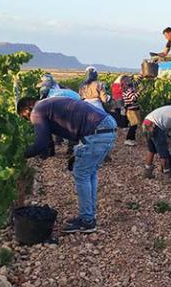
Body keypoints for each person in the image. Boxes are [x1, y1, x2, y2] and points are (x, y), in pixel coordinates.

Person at [17, 96, 117, 234]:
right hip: (106, 126)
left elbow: (41, 144)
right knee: (89, 173)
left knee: (81, 174)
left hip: (96, 131)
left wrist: (19, 156)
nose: (28, 120)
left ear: (28, 107)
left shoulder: (37, 111)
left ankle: (87, 221)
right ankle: (89, 216)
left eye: (25, 117)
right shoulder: (48, 103)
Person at [121, 76, 141, 146]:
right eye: (128, 80)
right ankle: (128, 139)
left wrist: (141, 75)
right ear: (125, 83)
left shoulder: (131, 87)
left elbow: (137, 82)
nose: (130, 80)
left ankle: (132, 139)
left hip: (135, 109)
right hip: (131, 110)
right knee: (133, 125)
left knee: (135, 125)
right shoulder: (126, 91)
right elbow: (133, 98)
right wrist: (140, 91)